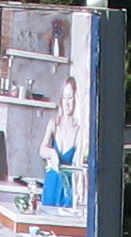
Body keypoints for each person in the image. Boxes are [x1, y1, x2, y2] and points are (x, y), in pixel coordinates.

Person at [37, 72, 86, 212]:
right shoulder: (53, 124)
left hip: (67, 187)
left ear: (75, 100)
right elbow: (42, 150)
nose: (66, 102)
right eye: (64, 97)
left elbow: (79, 162)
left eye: (70, 98)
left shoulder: (79, 131)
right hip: (52, 181)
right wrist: (52, 153)